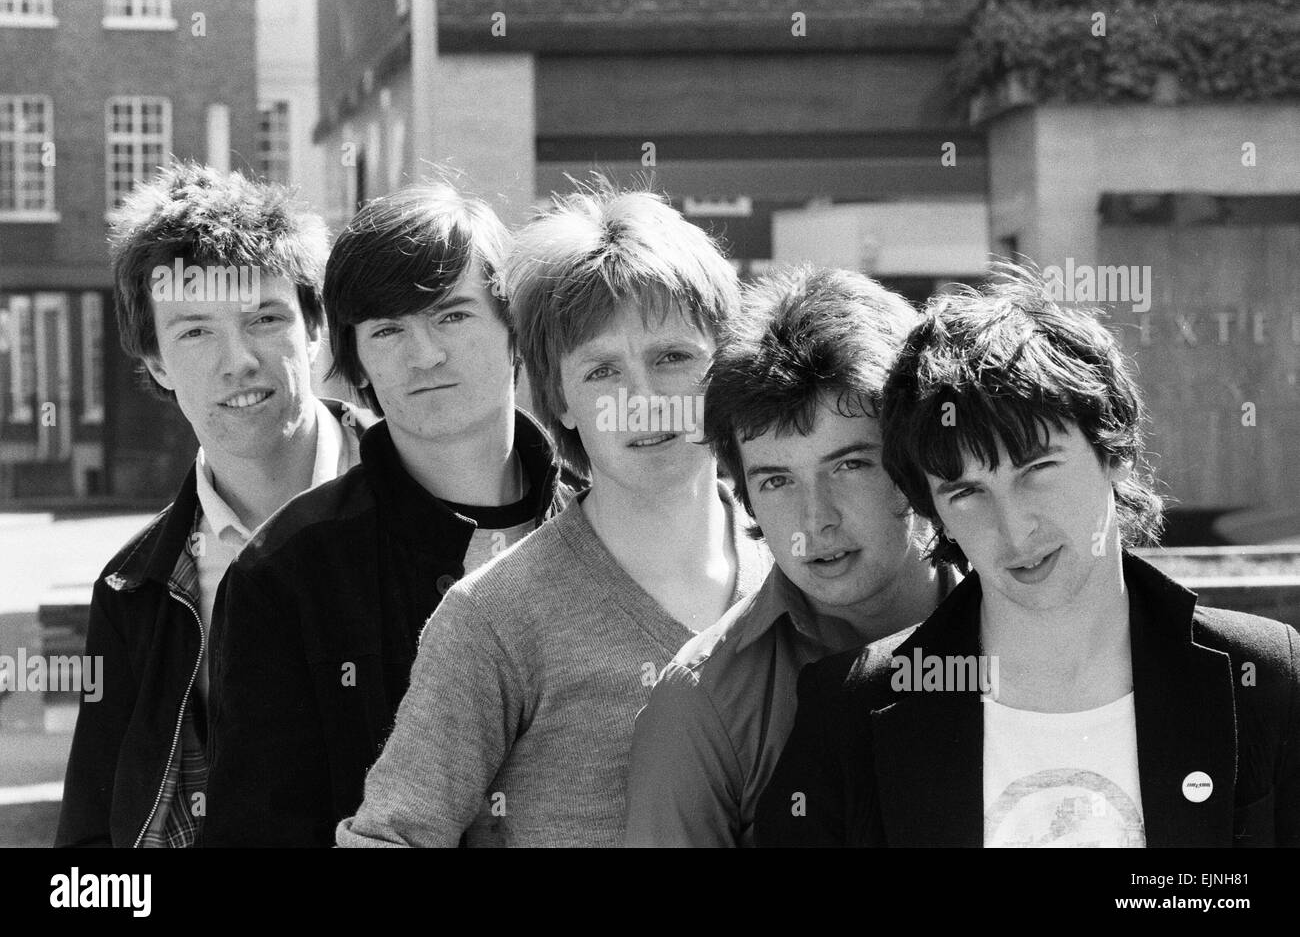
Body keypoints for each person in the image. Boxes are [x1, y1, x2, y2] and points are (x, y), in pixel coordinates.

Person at [755, 263, 1300, 847]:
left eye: (1037, 468)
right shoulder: (849, 712)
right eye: (965, 492)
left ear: (1114, 451)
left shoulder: (1266, 680)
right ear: (932, 511)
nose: (1014, 527)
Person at [336, 183, 770, 847]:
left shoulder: (800, 568)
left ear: (726, 369)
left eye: (672, 357)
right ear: (559, 399)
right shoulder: (493, 617)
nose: (643, 399)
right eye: (601, 371)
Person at [200, 184, 577, 847]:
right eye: (388, 330)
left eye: (452, 315)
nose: (424, 354)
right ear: (358, 361)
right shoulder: (285, 576)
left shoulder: (605, 526)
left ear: (515, 329)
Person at [56, 162, 367, 847]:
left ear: (315, 329)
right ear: (156, 360)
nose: (239, 361)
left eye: (263, 318)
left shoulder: (425, 502)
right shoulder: (133, 589)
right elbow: (86, 855)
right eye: (195, 331)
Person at [624, 265, 954, 847]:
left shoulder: (1031, 619)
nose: (815, 520)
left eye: (849, 465)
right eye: (777, 481)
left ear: (915, 454)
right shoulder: (704, 702)